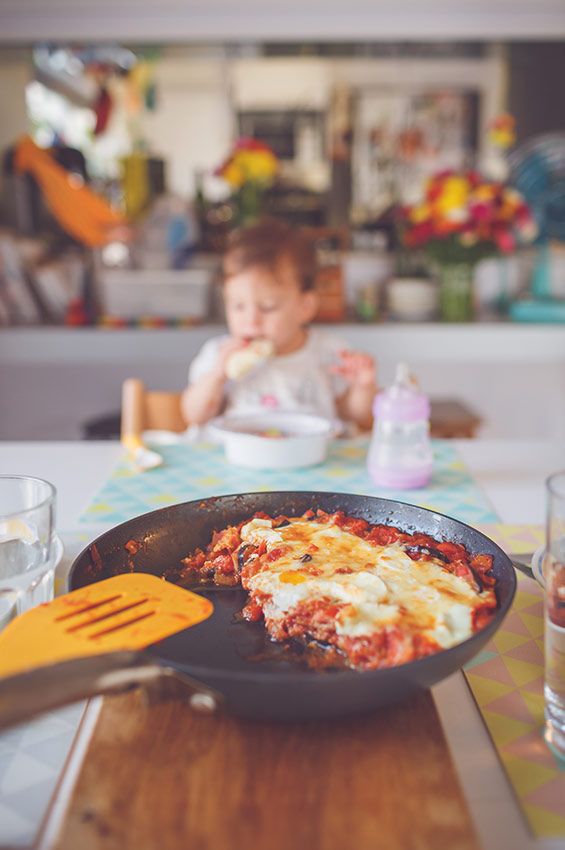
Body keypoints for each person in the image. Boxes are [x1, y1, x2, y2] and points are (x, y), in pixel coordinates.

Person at [182, 218, 377, 431]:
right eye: (238, 306)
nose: (251, 320)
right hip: (244, 458)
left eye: (267, 307)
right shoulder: (219, 354)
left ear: (305, 307)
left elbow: (355, 416)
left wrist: (362, 387)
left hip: (311, 457)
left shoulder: (329, 352)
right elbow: (194, 416)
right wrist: (218, 375)